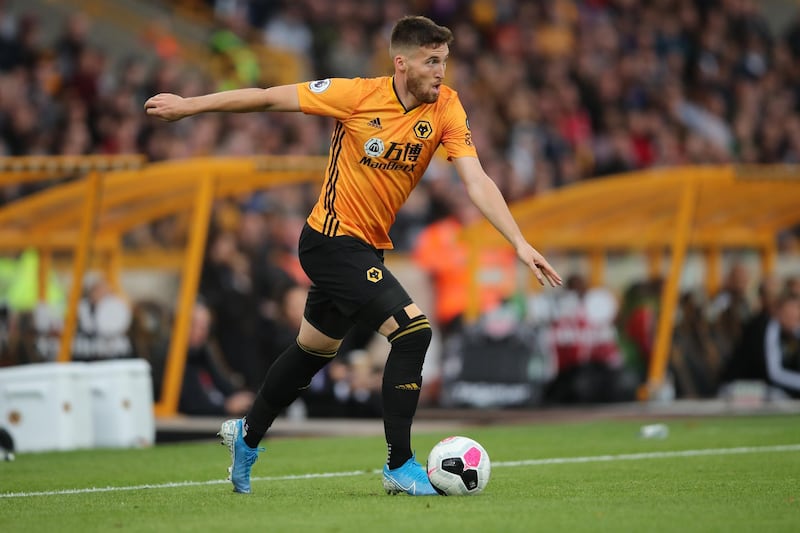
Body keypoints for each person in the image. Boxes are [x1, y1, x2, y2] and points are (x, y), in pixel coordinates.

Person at [145, 15, 562, 496]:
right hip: (328, 241)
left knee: (312, 352)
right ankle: (399, 464)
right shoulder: (357, 95)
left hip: (366, 248)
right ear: (401, 63)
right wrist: (189, 106)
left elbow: (477, 180)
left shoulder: (447, 108)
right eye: (431, 61)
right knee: (413, 332)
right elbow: (266, 97)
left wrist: (519, 242)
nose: (441, 72)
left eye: (444, 61)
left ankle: (247, 432)